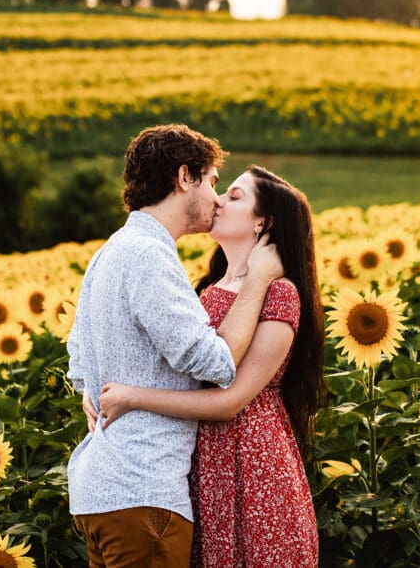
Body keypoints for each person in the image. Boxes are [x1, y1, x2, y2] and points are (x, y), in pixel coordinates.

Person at [66, 125, 284, 567]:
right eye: (212, 182)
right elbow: (217, 364)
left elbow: (77, 364)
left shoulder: (111, 251)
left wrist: (100, 393)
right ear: (186, 177)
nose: (217, 198)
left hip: (97, 492)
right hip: (143, 492)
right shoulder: (149, 254)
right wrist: (259, 278)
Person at [98, 165, 325, 567]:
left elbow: (230, 402)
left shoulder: (280, 292)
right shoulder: (205, 289)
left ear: (263, 222)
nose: (218, 200)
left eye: (235, 196)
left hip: (253, 462)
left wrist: (134, 397)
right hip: (202, 467)